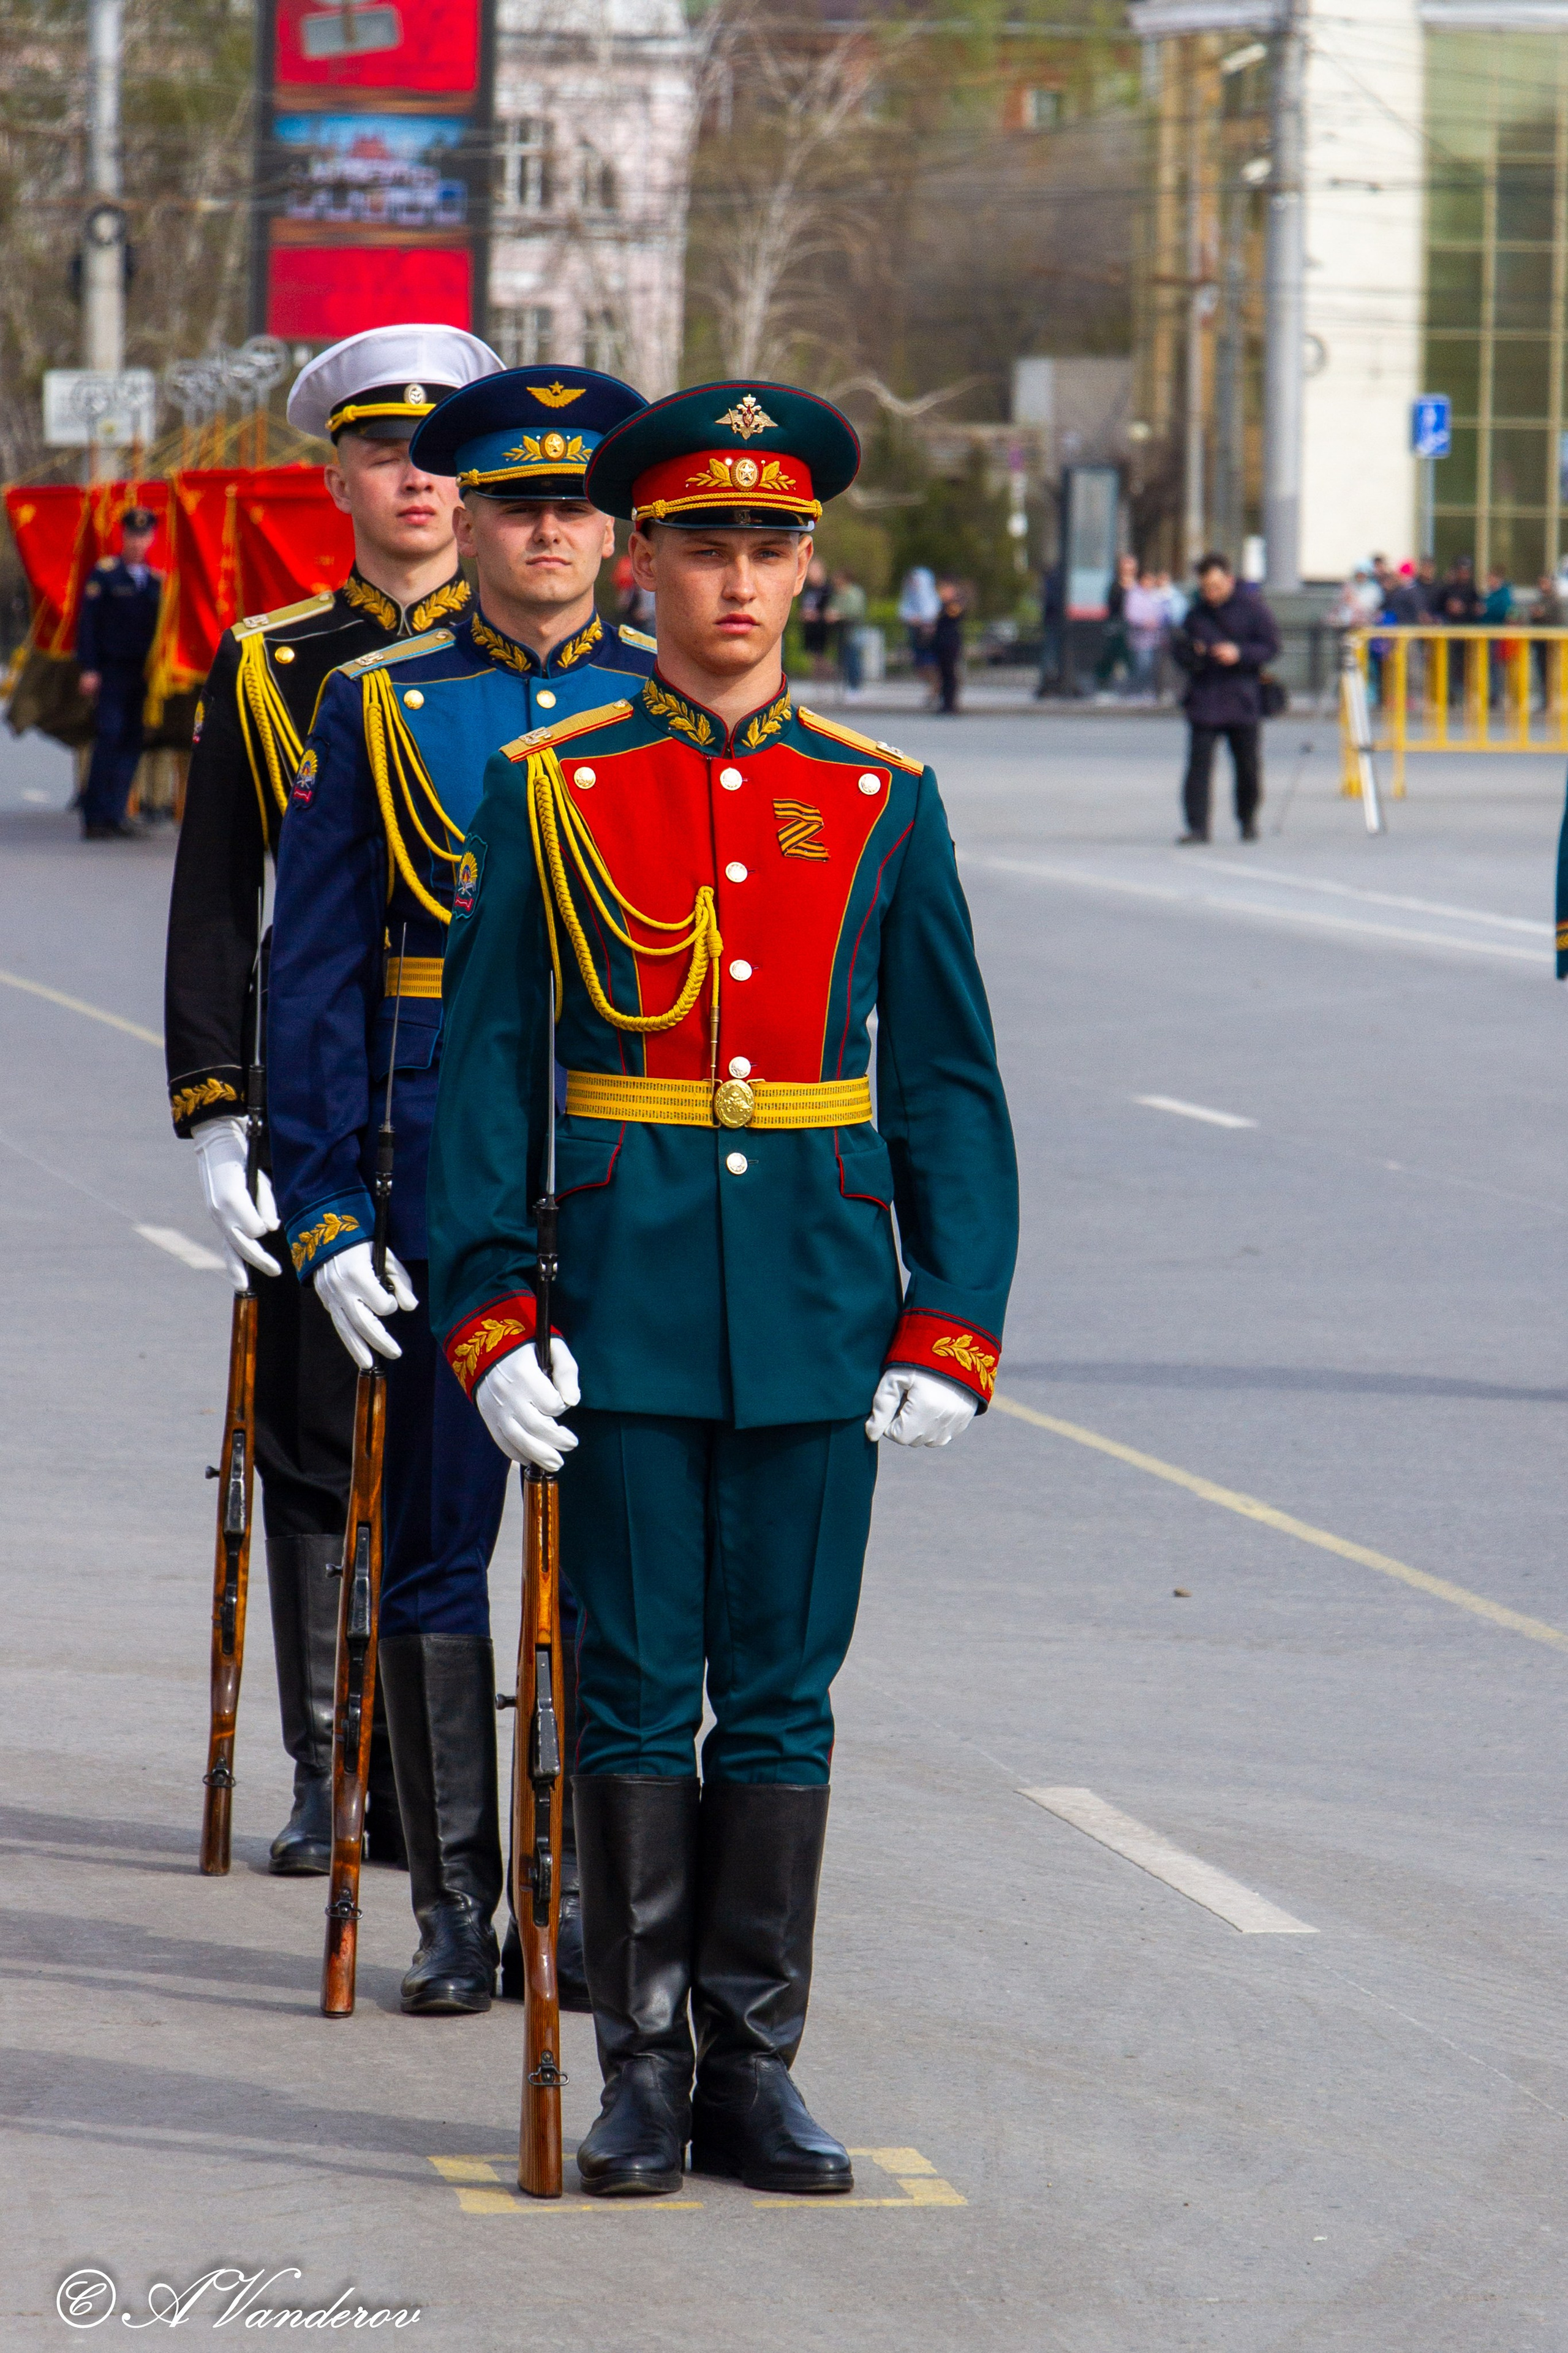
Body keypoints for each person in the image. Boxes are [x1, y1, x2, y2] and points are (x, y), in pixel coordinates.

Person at [425, 378, 1018, 2199]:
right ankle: (640, 2067)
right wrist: (489, 1312)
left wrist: (950, 1316)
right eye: (704, 547)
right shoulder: (554, 790)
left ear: (808, 565)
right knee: (626, 1689)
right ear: (645, 562)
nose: (737, 581)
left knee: (779, 1694)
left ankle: (753, 2064)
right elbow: (485, 1077)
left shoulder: (880, 797)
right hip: (621, 1301)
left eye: (769, 545)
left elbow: (944, 1082)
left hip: (823, 1301)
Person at [266, 362, 655, 2019]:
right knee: (434, 1541)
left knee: (613, 1552)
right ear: (473, 524)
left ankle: (569, 1895)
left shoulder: (660, 703)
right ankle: (452, 1901)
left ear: (614, 534)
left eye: (575, 506)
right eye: (516, 506)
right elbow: (314, 975)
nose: (546, 532)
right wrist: (323, 1205)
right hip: (433, 1153)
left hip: (625, 1157)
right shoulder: (381, 702)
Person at [164, 324, 502, 1875]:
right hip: (322, 1099)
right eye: (383, 453)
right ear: (340, 480)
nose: (415, 480)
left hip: (485, 1095)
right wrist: (217, 1109)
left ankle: (452, 1790)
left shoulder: (541, 664)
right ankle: (331, 1765)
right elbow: (217, 898)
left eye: (440, 457)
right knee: (314, 1431)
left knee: (470, 1441)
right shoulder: (272, 662)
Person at [1170, 550, 1280, 843]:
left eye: (1217, 587)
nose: (1212, 593)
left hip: (1242, 698)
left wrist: (1239, 653)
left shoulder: (1253, 609)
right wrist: (1195, 654)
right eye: (1206, 588)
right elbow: (1179, 650)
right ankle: (1197, 826)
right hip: (1205, 697)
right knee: (1198, 766)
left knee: (1247, 766)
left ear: (1230, 580)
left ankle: (1247, 819)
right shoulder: (1195, 614)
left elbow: (1271, 646)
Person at [77, 505, 162, 839]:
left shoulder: (156, 580)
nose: (138, 543)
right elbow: (88, 625)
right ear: (123, 537)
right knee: (110, 735)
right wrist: (89, 668)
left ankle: (116, 814)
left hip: (143, 673)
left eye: (144, 536)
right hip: (111, 669)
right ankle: (94, 816)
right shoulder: (105, 575)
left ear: (152, 539)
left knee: (132, 740)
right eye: (133, 536)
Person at [1093, 551, 1137, 698]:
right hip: (1117, 626)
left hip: (1134, 627)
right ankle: (1103, 682)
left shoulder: (1137, 586)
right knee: (1112, 653)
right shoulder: (1115, 586)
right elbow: (1112, 606)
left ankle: (1133, 686)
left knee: (1131, 657)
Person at [897, 563, 940, 692]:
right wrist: (910, 618)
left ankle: (935, 687)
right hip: (916, 633)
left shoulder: (931, 596)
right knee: (919, 665)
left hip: (929, 634)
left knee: (930, 663)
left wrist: (920, 620)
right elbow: (904, 611)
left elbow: (932, 612)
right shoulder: (909, 595)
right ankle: (933, 686)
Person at [828, 567, 867, 695]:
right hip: (841, 631)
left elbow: (855, 611)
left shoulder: (854, 593)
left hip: (853, 630)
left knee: (853, 657)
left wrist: (839, 614)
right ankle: (846, 685)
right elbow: (832, 607)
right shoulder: (837, 594)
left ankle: (855, 686)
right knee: (843, 658)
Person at [932, 575, 966, 713]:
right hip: (941, 643)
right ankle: (945, 702)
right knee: (943, 674)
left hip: (950, 643)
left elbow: (953, 616)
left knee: (950, 674)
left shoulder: (954, 604)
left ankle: (950, 704)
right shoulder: (940, 605)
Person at [799, 556, 832, 680]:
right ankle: (819, 682)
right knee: (813, 657)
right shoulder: (808, 590)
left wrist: (817, 615)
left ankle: (831, 676)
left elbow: (830, 609)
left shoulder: (828, 590)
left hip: (823, 629)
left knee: (821, 656)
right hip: (809, 628)